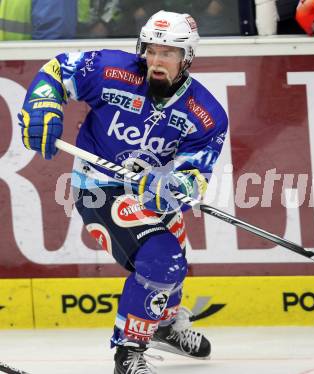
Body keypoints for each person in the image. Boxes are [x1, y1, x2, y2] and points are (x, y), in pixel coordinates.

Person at [18, 10, 228, 374]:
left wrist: (174, 184)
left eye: (169, 53)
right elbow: (56, 70)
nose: (157, 61)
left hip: (148, 192)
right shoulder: (111, 70)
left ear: (187, 58)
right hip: (98, 186)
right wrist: (42, 103)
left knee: (172, 250)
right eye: (151, 50)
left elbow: (195, 173)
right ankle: (128, 352)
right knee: (163, 259)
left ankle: (163, 323)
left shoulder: (206, 114)